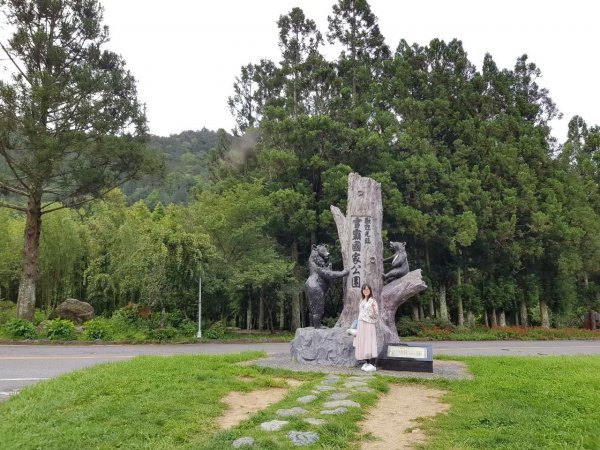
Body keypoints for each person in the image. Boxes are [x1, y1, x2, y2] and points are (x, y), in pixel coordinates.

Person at [355, 283, 378, 372]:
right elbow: (360, 313)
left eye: (368, 289)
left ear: (370, 290)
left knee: (370, 341)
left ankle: (372, 364)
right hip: (361, 324)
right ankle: (367, 362)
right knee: (364, 342)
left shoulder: (373, 301)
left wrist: (373, 309)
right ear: (362, 291)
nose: (366, 291)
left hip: (369, 323)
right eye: (364, 289)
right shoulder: (361, 300)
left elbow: (376, 314)